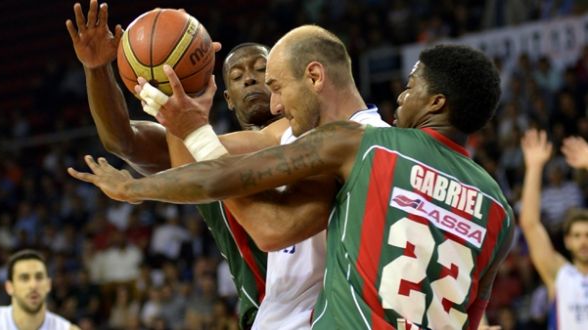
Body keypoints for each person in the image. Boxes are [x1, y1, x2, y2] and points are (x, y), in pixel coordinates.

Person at [69, 38, 515, 329]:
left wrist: (141, 181)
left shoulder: (366, 144)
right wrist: (103, 72)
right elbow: (123, 141)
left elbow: (269, 227)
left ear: (314, 77)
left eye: (273, 80)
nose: (271, 95)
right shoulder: (496, 205)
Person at [65, 1, 313, 328]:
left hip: (327, 308)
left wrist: (136, 186)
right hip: (268, 316)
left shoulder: (310, 137)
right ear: (227, 98)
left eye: (261, 70)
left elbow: (215, 151)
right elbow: (121, 141)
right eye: (238, 75)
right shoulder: (199, 148)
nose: (251, 79)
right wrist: (97, 70)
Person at [135, 25, 389, 329]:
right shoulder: (303, 136)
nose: (275, 104)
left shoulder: (354, 140)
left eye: (276, 86)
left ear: (314, 77)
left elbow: (270, 229)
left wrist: (135, 185)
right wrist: (180, 112)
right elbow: (193, 165)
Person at [520, 129, 588, 330]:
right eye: (577, 236)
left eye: (587, 235)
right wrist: (534, 167)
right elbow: (530, 225)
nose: (583, 241)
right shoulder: (560, 274)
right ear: (567, 241)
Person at [0, 249, 80, 330]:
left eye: (39, 277)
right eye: (24, 278)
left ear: (48, 284)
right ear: (9, 287)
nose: (33, 285)